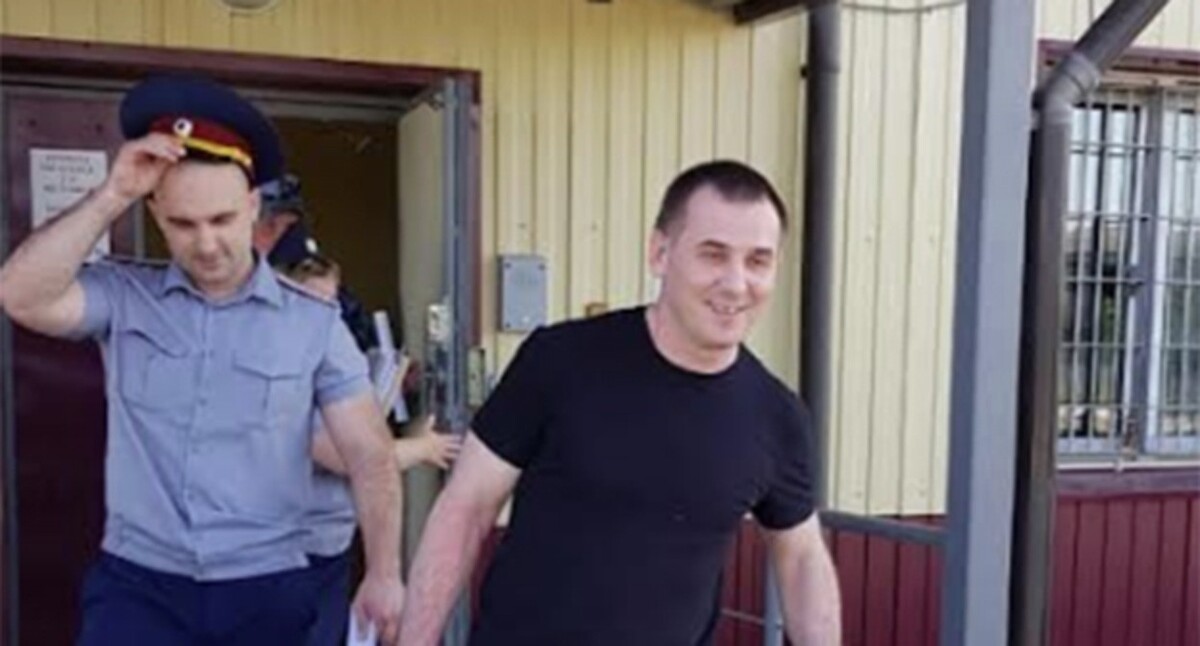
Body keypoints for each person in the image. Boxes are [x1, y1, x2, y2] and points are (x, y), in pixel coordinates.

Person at [0, 74, 405, 645]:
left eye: (222, 220)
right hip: (141, 586)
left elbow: (369, 455)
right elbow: (21, 295)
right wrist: (111, 195)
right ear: (155, 214)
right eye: (183, 224)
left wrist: (384, 573)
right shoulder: (125, 297)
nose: (206, 243)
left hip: (265, 588)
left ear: (253, 206)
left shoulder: (314, 323)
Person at [398, 160, 842, 645]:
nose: (736, 284)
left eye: (758, 261)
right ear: (659, 253)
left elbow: (802, 559)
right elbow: (466, 508)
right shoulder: (560, 360)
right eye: (713, 255)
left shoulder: (777, 417)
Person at [281, 253, 462, 645]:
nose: (325, 314)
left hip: (331, 545)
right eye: (313, 301)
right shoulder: (286, 373)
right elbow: (349, 457)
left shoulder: (334, 363)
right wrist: (423, 448)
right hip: (294, 550)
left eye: (331, 302)